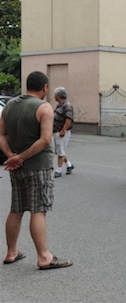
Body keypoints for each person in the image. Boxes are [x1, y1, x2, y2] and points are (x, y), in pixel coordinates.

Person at [0, 71, 72, 270]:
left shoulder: (9, 106)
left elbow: (2, 136)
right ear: (45, 88)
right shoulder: (43, 107)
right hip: (38, 166)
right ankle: (44, 257)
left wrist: (11, 156)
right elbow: (45, 140)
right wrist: (21, 157)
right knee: (38, 210)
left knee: (16, 209)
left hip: (16, 167)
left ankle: (11, 252)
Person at [53, 87, 75, 178]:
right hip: (57, 131)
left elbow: (68, 119)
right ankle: (69, 165)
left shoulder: (67, 106)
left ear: (58, 95)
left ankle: (58, 170)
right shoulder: (60, 105)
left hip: (62, 132)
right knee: (60, 150)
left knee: (60, 151)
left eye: (55, 94)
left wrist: (64, 130)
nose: (54, 96)